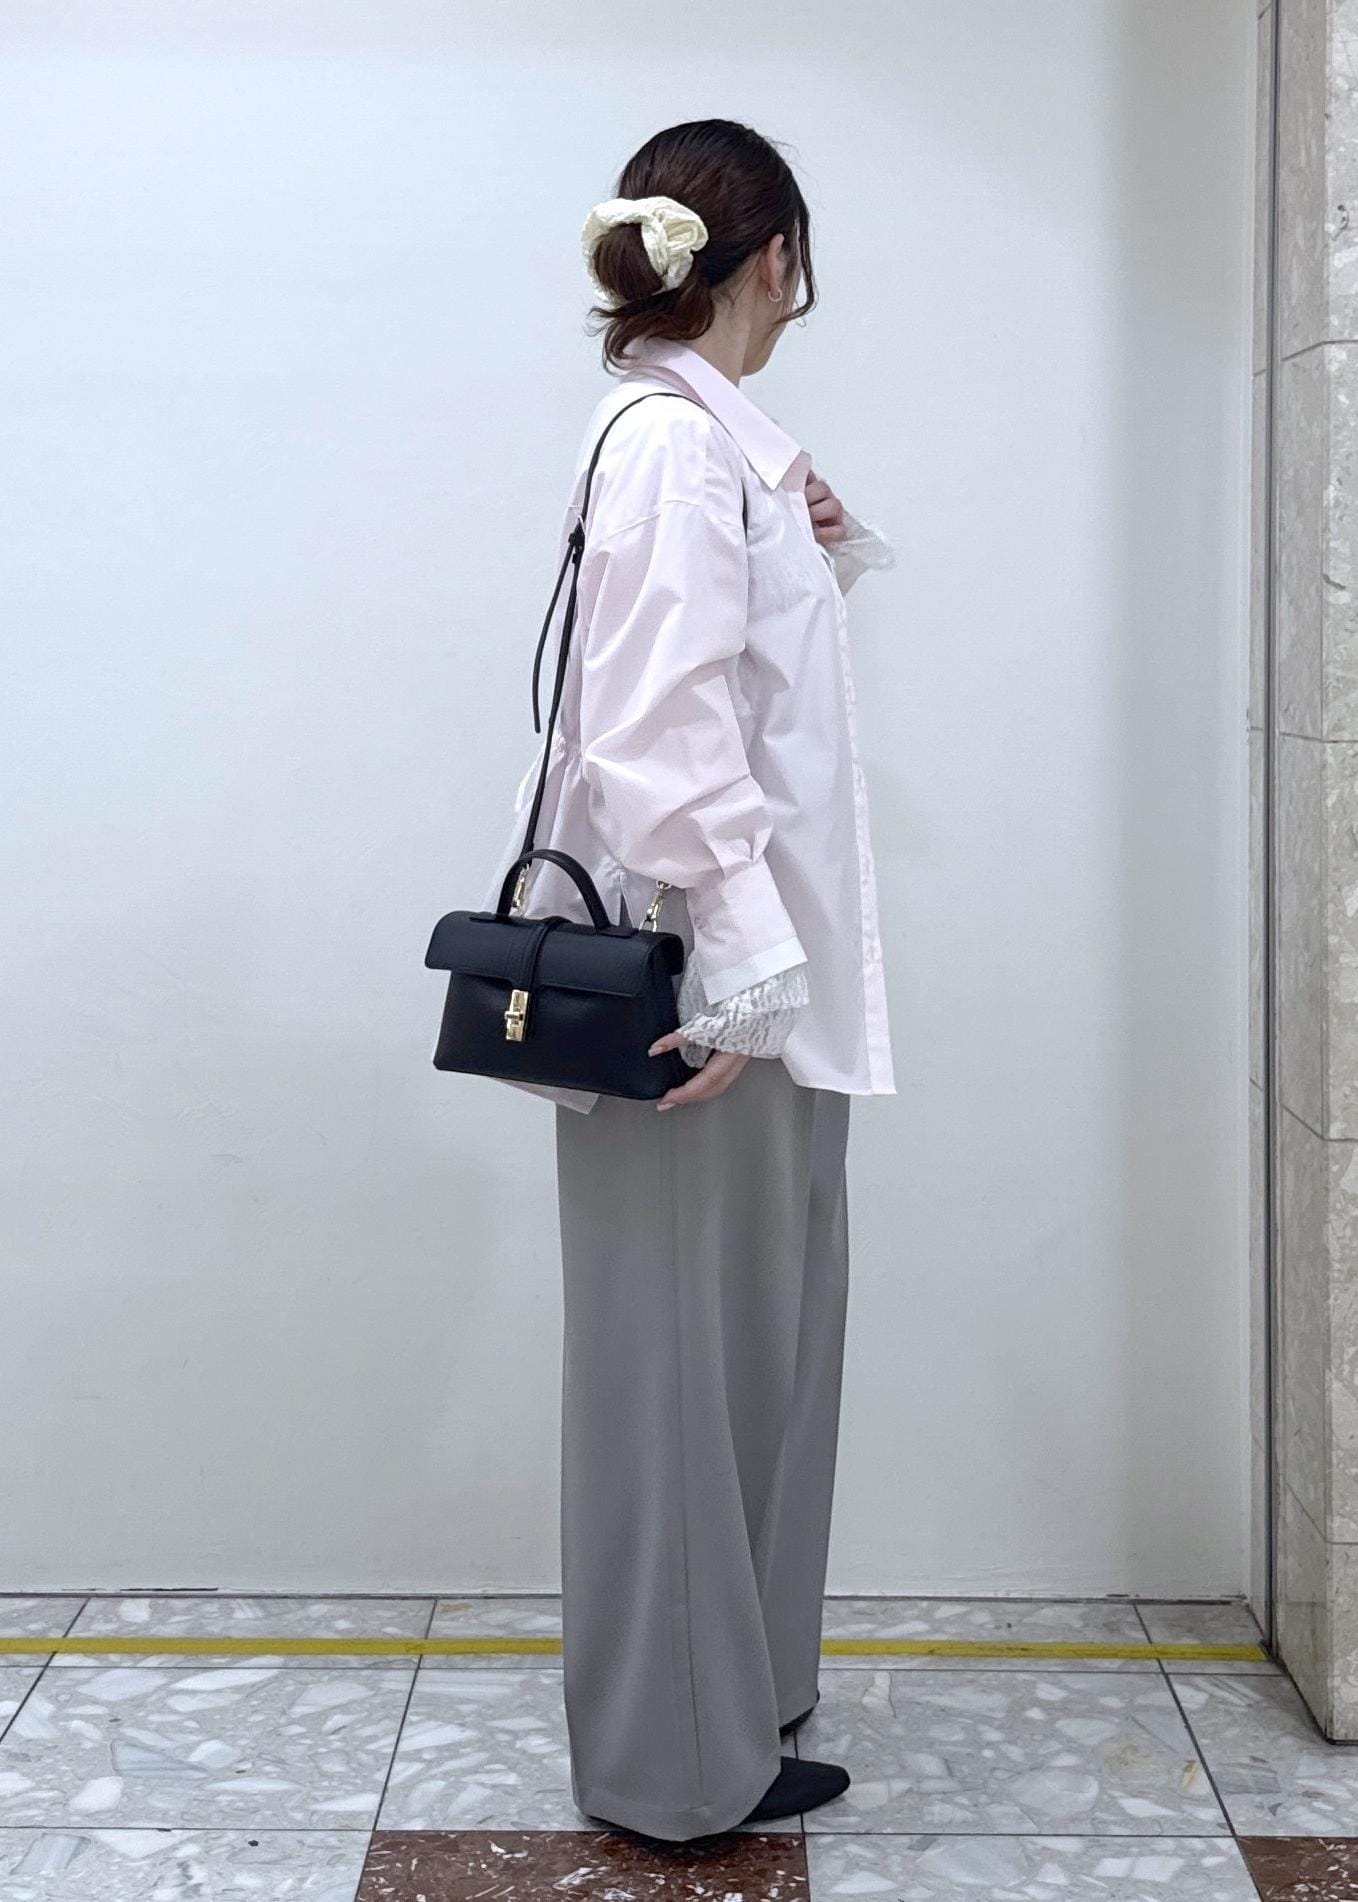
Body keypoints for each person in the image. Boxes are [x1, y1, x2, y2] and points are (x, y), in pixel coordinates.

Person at [483, 117, 896, 1842]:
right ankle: (673, 1769)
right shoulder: (669, 446)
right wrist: (738, 963)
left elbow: (744, 683)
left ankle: (741, 1703)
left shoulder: (712, 444)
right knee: (678, 1371)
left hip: (750, 977)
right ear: (774, 256)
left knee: (753, 1354)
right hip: (699, 989)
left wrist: (818, 531)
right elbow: (655, 732)